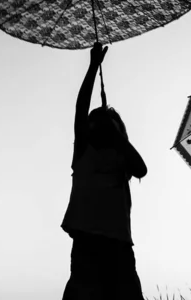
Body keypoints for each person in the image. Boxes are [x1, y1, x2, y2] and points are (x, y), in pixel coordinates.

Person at [61, 42, 148, 300]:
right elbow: (80, 109)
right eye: (94, 123)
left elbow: (142, 169)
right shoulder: (84, 153)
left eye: (105, 125)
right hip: (87, 247)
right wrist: (92, 67)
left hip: (119, 248)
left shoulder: (123, 160)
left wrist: (118, 139)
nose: (97, 127)